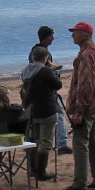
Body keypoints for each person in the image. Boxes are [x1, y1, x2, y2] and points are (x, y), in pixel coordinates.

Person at [63, 20, 95, 190]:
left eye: (75, 32)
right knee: (94, 142)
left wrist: (79, 111)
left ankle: (80, 182)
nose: (73, 35)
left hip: (87, 106)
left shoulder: (87, 54)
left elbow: (86, 84)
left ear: (84, 34)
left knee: (80, 143)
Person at [21, 45, 63, 181]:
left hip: (32, 110)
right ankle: (41, 172)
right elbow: (58, 85)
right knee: (45, 142)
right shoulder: (45, 72)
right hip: (47, 109)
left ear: (32, 57)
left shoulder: (25, 71)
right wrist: (53, 70)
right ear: (46, 58)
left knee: (34, 141)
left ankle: (33, 169)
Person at [34, 25, 70, 153]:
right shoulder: (42, 52)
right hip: (48, 92)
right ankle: (61, 144)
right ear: (46, 37)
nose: (53, 38)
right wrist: (52, 72)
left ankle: (41, 144)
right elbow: (54, 80)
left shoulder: (36, 51)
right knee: (59, 114)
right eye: (51, 36)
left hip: (38, 94)